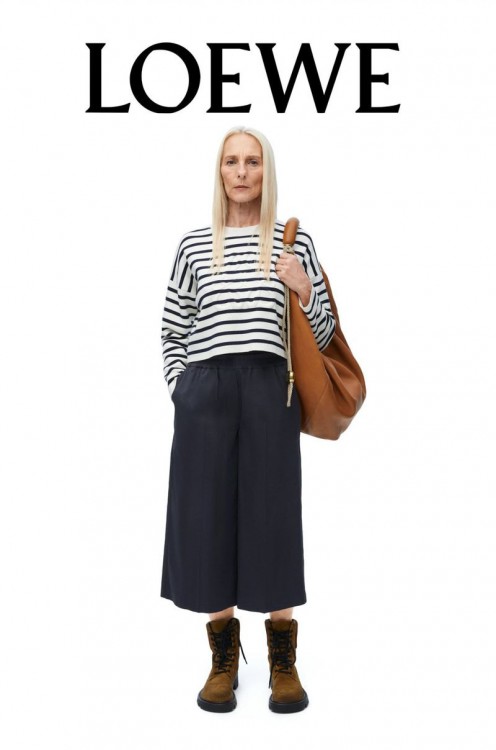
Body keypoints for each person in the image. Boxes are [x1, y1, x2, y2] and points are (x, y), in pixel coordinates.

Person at [160, 126, 336, 714]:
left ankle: (283, 663)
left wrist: (304, 288)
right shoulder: (194, 245)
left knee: (273, 520)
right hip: (206, 393)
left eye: (253, 161)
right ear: (219, 170)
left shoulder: (292, 242)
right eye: (231, 161)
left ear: (267, 170)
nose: (241, 172)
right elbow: (173, 328)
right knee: (208, 519)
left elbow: (324, 335)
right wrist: (183, 391)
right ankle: (222, 661)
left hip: (270, 391)